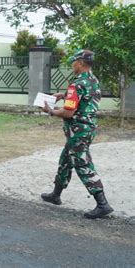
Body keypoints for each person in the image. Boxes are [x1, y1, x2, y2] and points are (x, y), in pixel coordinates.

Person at [41, 49, 113, 219]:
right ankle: (56, 194)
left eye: (74, 61)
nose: (72, 64)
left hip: (77, 131)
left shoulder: (76, 84)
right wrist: (64, 94)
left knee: (82, 164)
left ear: (80, 63)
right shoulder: (92, 80)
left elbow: (68, 113)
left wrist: (50, 110)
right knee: (65, 160)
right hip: (87, 128)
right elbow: (84, 95)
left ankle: (103, 204)